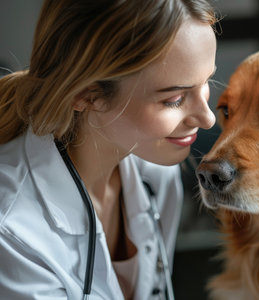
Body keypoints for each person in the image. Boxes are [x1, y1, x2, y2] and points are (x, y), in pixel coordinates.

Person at [0, 0, 217, 299]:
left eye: (206, 82)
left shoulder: (155, 175)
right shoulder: (12, 231)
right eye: (174, 99)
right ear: (85, 94)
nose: (208, 118)